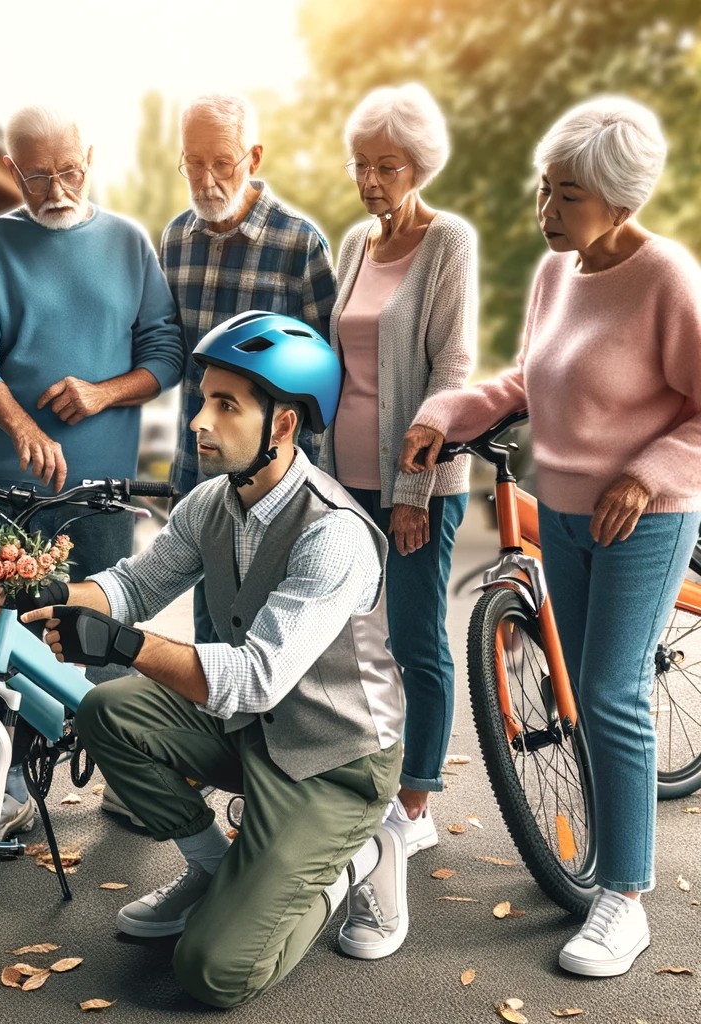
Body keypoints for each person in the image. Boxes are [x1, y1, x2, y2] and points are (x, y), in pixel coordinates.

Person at [24, 311, 408, 1008]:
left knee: (213, 971)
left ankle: (361, 860)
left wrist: (125, 644)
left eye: (226, 405)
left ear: (283, 426)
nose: (200, 420)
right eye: (204, 399)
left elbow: (256, 679)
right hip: (252, 732)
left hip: (332, 761)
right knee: (107, 709)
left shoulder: (335, 535)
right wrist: (54, 590)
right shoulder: (213, 503)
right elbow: (134, 587)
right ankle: (212, 868)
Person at [399, 96, 701, 978]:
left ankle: (627, 896)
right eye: (545, 187)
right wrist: (443, 414)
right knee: (581, 692)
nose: (547, 208)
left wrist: (649, 474)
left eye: (566, 194)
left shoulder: (668, 281)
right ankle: (607, 865)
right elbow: (526, 379)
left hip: (644, 516)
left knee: (609, 692)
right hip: (561, 511)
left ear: (619, 201)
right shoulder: (556, 271)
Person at [0, 103, 182, 832]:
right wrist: (19, 424)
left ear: (91, 158)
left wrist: (103, 391)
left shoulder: (127, 243)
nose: (56, 188)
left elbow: (165, 353)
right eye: (38, 175)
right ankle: (9, 793)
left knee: (108, 631)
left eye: (69, 170)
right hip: (5, 490)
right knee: (5, 638)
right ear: (10, 169)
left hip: (103, 492)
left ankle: (128, 776)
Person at [318, 83, 477, 856]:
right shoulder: (354, 243)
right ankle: (365, 777)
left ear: (419, 166)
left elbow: (452, 370)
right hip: (343, 481)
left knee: (417, 641)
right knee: (354, 638)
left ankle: (415, 807)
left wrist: (414, 489)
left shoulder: (448, 243)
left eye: (387, 166)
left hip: (419, 485)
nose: (371, 180)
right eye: (361, 164)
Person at [162, 93, 336, 644]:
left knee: (271, 640)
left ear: (254, 158)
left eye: (222, 161)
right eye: (193, 161)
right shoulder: (172, 242)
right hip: (200, 472)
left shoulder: (300, 244)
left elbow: (326, 380)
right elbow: (167, 351)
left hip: (275, 482)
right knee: (209, 632)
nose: (206, 178)